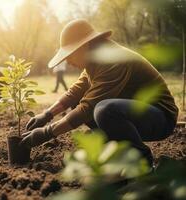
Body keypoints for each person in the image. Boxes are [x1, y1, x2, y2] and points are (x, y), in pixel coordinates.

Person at [20, 19, 178, 167]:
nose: (67, 61)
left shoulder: (113, 60)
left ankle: (142, 160)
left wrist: (47, 133)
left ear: (85, 46)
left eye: (70, 54)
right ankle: (115, 147)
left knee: (104, 110)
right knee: (87, 104)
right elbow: (75, 92)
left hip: (161, 118)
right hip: (138, 113)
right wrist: (47, 114)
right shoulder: (94, 61)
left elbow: (88, 108)